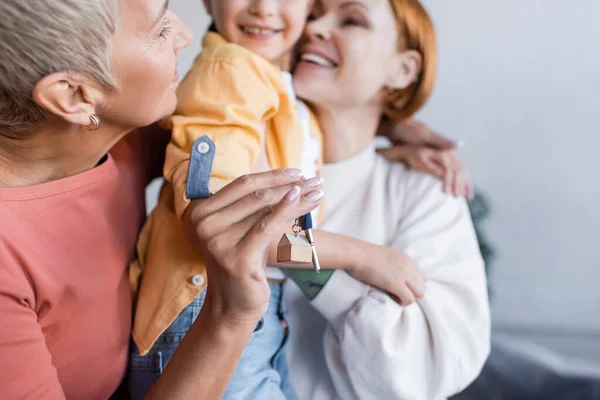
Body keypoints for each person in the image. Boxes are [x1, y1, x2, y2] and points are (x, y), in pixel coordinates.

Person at [0, 0, 323, 398]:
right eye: (159, 29)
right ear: (74, 95)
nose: (185, 35)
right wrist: (229, 316)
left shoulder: (115, 138)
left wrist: (391, 126)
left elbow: (239, 135)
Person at [129, 1, 449, 399]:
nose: (264, 8)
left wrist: (394, 130)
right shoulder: (231, 70)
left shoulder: (280, 89)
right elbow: (230, 230)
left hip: (255, 312)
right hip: (203, 309)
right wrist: (361, 256)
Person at [281, 0, 492, 398]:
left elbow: (423, 370)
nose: (315, 28)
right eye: (312, 14)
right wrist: (358, 261)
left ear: (403, 69)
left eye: (352, 19)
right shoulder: (242, 155)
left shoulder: (426, 192)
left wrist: (310, 269)